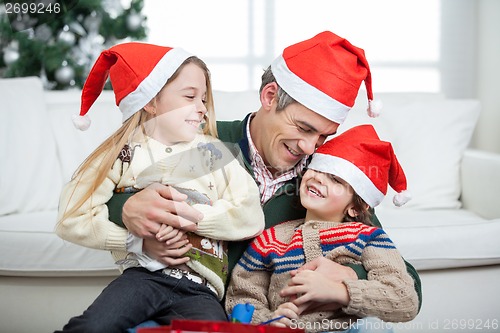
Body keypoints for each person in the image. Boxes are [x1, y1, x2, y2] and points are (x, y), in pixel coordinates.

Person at [105, 31, 422, 315]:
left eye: (324, 136)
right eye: (304, 127)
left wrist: (350, 277)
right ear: (270, 97)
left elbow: (407, 280)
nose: (311, 148)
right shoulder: (211, 143)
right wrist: (127, 208)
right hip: (182, 304)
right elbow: (103, 196)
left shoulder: (324, 179)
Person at [55, 42, 264, 332]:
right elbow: (72, 216)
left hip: (200, 289)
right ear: (151, 102)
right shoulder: (121, 154)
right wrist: (132, 241)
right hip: (142, 277)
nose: (202, 108)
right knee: (93, 326)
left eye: (204, 99)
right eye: (190, 96)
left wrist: (190, 216)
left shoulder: (215, 153)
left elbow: (250, 214)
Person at [226, 124, 418, 332]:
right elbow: (242, 296)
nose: (318, 177)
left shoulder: (367, 238)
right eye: (317, 169)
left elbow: (404, 298)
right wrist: (269, 320)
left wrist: (340, 292)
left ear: (356, 207)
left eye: (334, 179)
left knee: (373, 327)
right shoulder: (271, 240)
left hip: (349, 328)